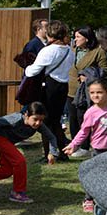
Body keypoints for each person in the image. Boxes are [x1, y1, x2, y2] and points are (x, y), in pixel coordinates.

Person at [0, 101, 59, 204]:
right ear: (27, 115)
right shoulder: (16, 119)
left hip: (8, 141)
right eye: (35, 119)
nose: (38, 123)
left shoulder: (39, 125)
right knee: (19, 160)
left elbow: (52, 137)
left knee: (7, 171)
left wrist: (52, 153)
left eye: (41, 120)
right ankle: (18, 193)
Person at [63, 78, 107, 211]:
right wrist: (74, 144)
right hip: (99, 149)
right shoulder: (91, 113)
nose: (95, 96)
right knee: (95, 175)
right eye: (92, 93)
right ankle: (88, 199)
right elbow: (84, 131)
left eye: (99, 92)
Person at [25, 20, 74, 159]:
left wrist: (27, 67)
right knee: (56, 121)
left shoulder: (47, 51)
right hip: (63, 86)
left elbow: (32, 71)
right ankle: (63, 154)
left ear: (49, 34)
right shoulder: (69, 51)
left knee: (45, 122)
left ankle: (49, 154)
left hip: (50, 87)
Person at [67, 26, 107, 157]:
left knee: (83, 119)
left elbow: (105, 70)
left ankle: (85, 147)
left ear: (86, 38)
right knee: (72, 118)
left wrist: (90, 75)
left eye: (78, 37)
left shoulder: (98, 52)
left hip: (86, 92)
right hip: (71, 90)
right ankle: (75, 145)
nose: (75, 39)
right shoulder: (72, 50)